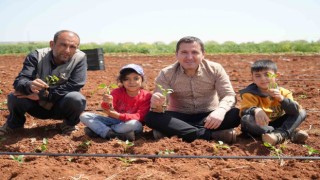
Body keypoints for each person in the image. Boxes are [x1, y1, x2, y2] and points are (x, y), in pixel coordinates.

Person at [144, 36, 240, 144]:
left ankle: (175, 133)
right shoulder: (166, 73)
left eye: (194, 52)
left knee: (236, 114)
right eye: (184, 52)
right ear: (177, 54)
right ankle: (211, 135)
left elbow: (229, 95)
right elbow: (160, 107)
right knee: (151, 117)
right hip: (180, 117)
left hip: (209, 116)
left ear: (203, 54)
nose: (189, 57)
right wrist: (157, 104)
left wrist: (220, 111)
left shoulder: (215, 69)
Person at [0, 30, 87, 136]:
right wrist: (29, 86)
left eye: (73, 47)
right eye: (63, 45)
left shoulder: (80, 58)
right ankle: (14, 125)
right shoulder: (36, 56)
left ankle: (69, 124)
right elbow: (21, 80)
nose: (67, 50)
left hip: (61, 106)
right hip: (36, 107)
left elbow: (75, 85)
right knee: (14, 97)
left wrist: (42, 95)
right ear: (52, 44)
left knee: (76, 98)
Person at [239, 59, 308, 145]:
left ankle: (279, 135)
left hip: (279, 122)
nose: (263, 79)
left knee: (301, 111)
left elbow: (294, 111)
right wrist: (255, 110)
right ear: (252, 78)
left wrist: (281, 99)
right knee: (246, 119)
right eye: (258, 76)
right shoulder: (249, 94)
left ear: (276, 75)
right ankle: (287, 134)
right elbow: (243, 111)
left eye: (267, 74)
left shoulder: (284, 92)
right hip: (261, 125)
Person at [80, 64, 152, 141]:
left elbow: (139, 117)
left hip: (128, 123)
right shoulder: (117, 92)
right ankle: (114, 135)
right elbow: (108, 108)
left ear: (142, 80)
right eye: (126, 79)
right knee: (85, 116)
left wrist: (118, 116)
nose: (132, 82)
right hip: (113, 120)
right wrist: (107, 102)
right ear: (121, 81)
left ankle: (101, 131)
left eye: (136, 78)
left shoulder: (147, 96)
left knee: (135, 124)